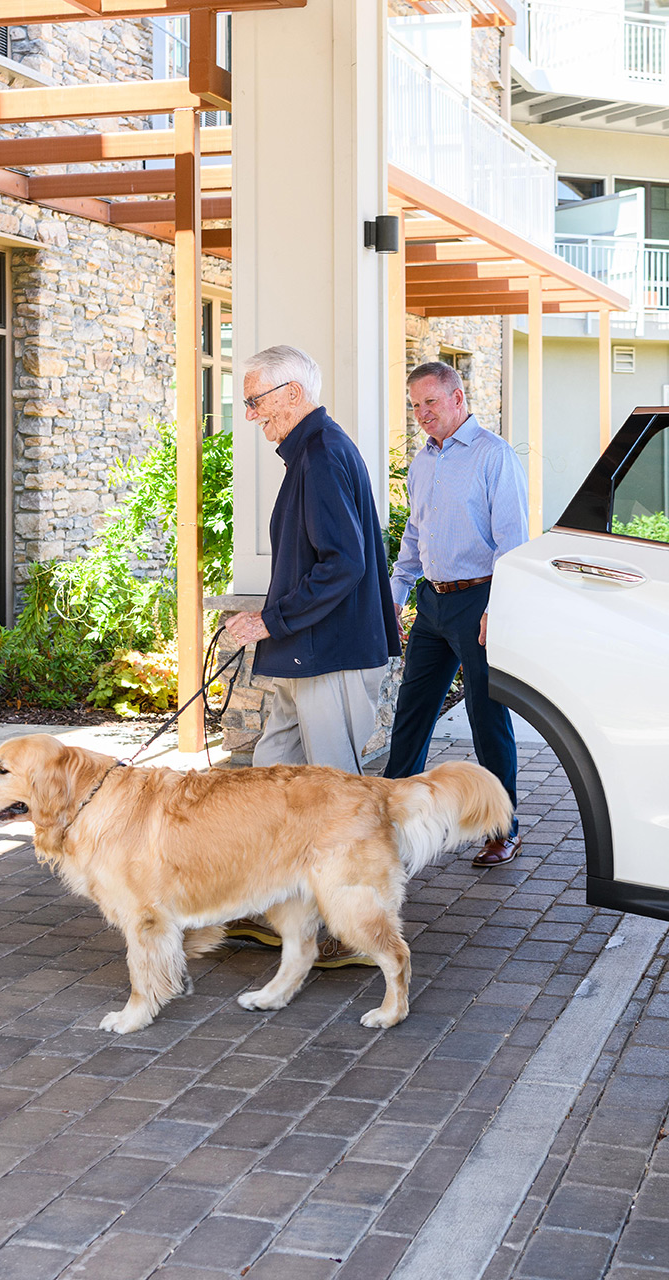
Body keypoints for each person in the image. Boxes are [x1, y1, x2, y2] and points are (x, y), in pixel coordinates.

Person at [221, 344, 400, 965]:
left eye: (255, 401)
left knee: (333, 801)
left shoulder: (321, 455)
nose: (250, 415)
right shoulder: (310, 454)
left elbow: (343, 565)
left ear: (292, 394)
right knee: (272, 784)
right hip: (304, 656)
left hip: (331, 656)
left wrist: (270, 620)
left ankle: (358, 930)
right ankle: (284, 916)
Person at [382, 362, 527, 866]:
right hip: (433, 603)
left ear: (458, 398)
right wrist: (397, 590)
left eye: (430, 403)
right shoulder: (422, 463)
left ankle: (502, 828)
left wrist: (499, 608)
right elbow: (415, 535)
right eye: (415, 405)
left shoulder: (494, 456)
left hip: (479, 600)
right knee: (412, 712)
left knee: (488, 717)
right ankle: (393, 821)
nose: (421, 414)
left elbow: (513, 543)